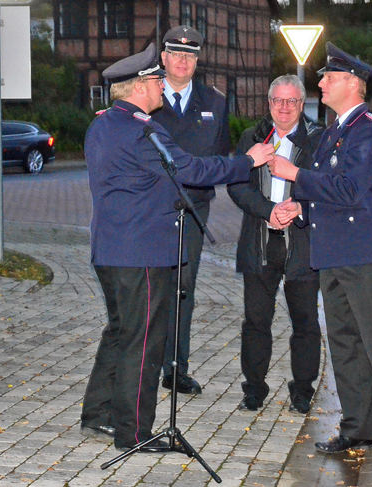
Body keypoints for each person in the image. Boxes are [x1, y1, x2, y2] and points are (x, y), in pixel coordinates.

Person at [79, 44, 271, 453]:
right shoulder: (144, 129)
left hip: (109, 249)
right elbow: (192, 170)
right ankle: (134, 433)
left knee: (118, 331)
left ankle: (97, 414)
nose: (163, 86)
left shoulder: (103, 125)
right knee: (143, 339)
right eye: (156, 80)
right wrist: (247, 162)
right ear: (142, 85)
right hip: (143, 253)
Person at [268, 42, 372, 459]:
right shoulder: (333, 132)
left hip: (365, 252)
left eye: (330, 77)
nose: (320, 83)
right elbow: (327, 195)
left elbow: (349, 189)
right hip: (333, 252)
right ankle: (357, 429)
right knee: (343, 342)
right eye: (322, 76)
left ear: (353, 84)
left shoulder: (369, 132)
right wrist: (298, 207)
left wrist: (295, 175)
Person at [227, 75, 324, 415]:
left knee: (306, 322)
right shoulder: (250, 138)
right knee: (255, 321)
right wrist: (267, 211)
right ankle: (254, 389)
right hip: (260, 241)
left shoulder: (318, 140)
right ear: (268, 103)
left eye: (292, 101)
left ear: (302, 104)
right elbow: (237, 185)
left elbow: (327, 188)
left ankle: (303, 389)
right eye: (278, 101)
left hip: (302, 243)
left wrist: (300, 208)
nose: (284, 108)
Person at [151, 25, 231, 396]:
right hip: (150, 210)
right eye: (176, 54)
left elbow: (219, 157)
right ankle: (146, 363)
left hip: (193, 210)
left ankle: (175, 367)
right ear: (163, 58)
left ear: (197, 61)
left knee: (184, 289)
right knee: (150, 288)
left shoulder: (215, 101)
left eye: (190, 56)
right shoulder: (146, 96)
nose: (182, 61)